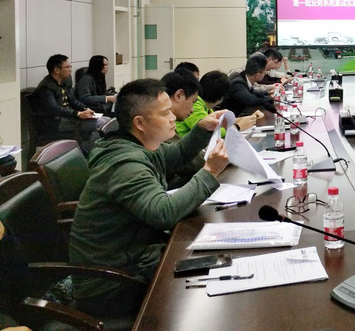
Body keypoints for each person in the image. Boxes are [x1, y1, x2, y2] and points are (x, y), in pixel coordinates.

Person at [69, 78, 229, 319]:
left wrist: (202, 129)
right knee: (206, 297)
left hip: (137, 258)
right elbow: (163, 213)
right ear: (140, 123)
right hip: (111, 284)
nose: (173, 118)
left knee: (214, 266)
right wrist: (210, 172)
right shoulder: (125, 164)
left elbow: (176, 154)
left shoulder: (137, 144)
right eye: (165, 114)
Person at [31, 54, 96, 144]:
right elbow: (54, 109)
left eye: (70, 66)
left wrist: (85, 109)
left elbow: (73, 100)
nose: (70, 69)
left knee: (102, 120)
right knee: (94, 124)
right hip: (54, 122)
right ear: (57, 70)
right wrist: (78, 114)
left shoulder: (63, 82)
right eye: (67, 67)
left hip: (67, 117)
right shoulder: (46, 87)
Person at [176, 71, 260, 138]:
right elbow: (211, 131)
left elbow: (220, 122)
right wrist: (239, 126)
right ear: (221, 97)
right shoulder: (195, 106)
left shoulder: (205, 107)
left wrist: (248, 119)